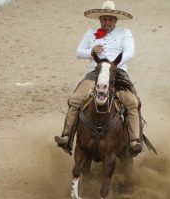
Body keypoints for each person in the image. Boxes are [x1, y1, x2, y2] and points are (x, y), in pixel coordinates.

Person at [55, 0, 142, 154]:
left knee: (132, 102)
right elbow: (78, 52)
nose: (107, 22)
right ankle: (67, 136)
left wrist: (112, 64)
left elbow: (130, 52)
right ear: (100, 19)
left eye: (110, 19)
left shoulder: (125, 33)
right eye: (104, 19)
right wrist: (91, 51)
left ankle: (134, 140)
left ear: (115, 20)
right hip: (95, 73)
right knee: (75, 99)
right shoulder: (90, 33)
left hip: (117, 73)